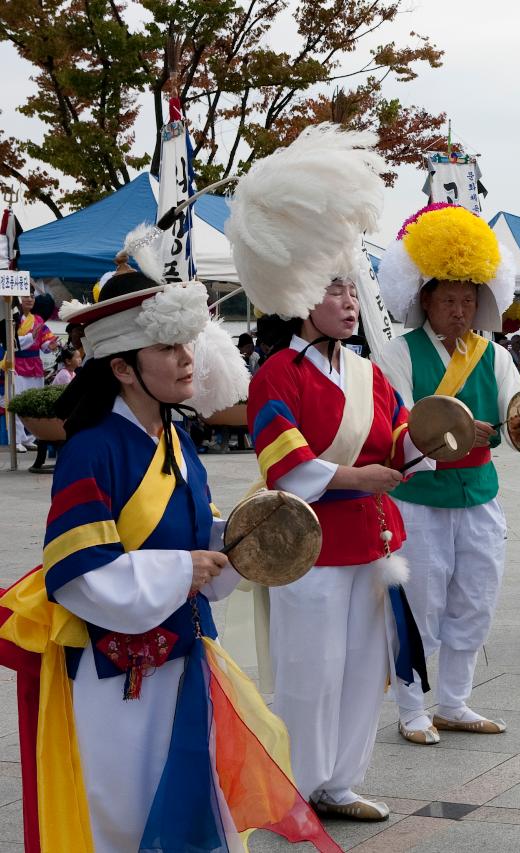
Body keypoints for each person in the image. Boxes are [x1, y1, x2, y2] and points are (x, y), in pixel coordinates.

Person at [0, 243, 341, 851]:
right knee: (124, 812)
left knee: (190, 798)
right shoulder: (92, 448)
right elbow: (77, 572)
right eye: (168, 348)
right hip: (116, 669)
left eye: (187, 345)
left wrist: (239, 536)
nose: (187, 360)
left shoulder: (175, 436)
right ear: (123, 367)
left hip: (180, 652)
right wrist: (183, 568)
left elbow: (196, 532)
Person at [231, 125, 426, 821]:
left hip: (370, 541)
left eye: (352, 287)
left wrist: (435, 437)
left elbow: (400, 439)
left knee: (362, 666)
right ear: (299, 293)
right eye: (335, 288)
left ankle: (340, 780)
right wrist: (363, 478)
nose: (350, 300)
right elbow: (285, 464)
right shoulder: (275, 375)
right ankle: (291, 789)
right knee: (309, 671)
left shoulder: (372, 374)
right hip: (305, 548)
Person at [376, 203, 520, 742]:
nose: (459, 311)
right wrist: (452, 435)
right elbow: (397, 423)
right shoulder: (398, 352)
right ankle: (412, 709)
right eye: (448, 300)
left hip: (481, 492)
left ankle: (455, 702)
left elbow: (517, 411)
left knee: (476, 598)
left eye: (468, 300)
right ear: (424, 301)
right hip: (420, 496)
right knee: (420, 604)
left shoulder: (495, 354)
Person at [9, 288, 59, 451]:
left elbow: (45, 343)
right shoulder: (12, 319)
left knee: (33, 402)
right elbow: (12, 343)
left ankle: (29, 437)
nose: (29, 299)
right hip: (18, 363)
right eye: (25, 296)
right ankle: (16, 439)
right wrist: (32, 337)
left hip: (35, 364)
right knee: (17, 402)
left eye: (32, 296)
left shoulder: (38, 320)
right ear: (19, 299)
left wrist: (49, 346)